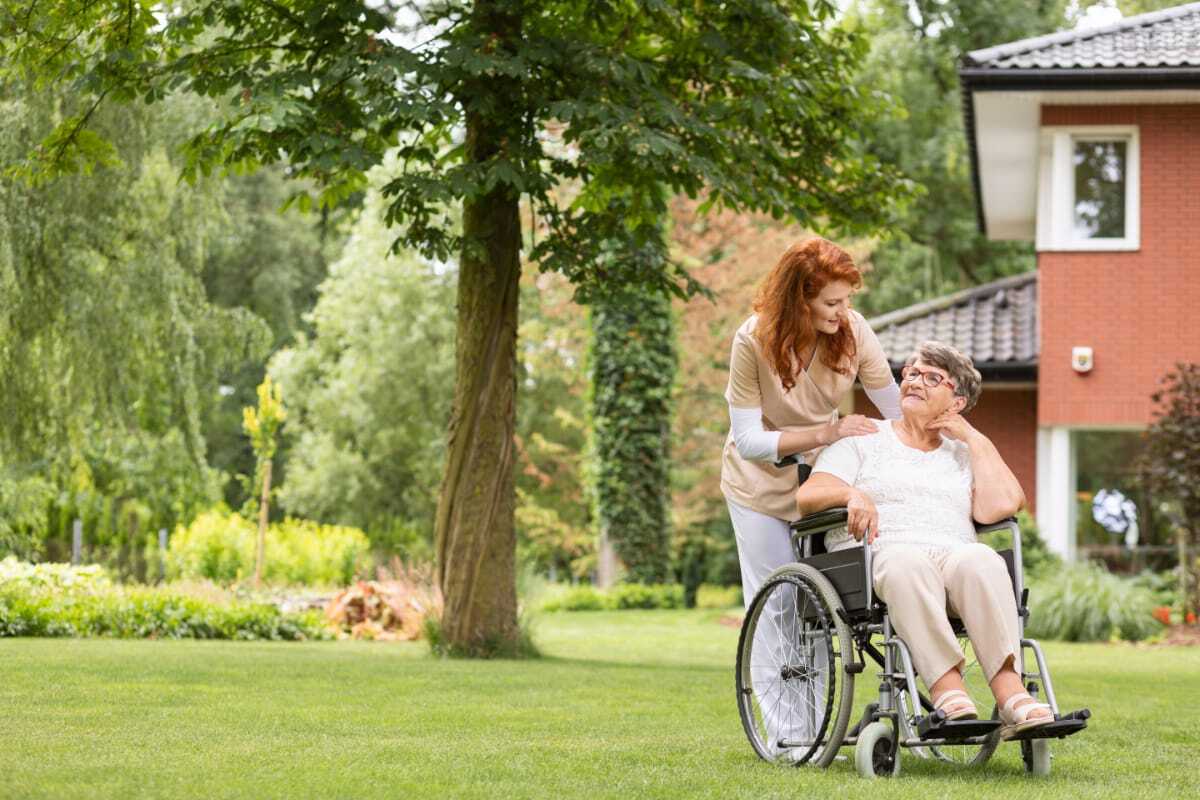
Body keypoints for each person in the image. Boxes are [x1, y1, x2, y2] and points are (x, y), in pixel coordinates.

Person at [796, 341, 1053, 739]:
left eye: (933, 378)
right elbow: (807, 496)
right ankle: (948, 688)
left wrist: (975, 440)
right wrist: (852, 494)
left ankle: (1011, 693)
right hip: (878, 557)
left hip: (951, 559)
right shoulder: (864, 438)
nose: (915, 381)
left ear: (958, 402)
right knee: (906, 561)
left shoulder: (964, 454)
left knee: (982, 559)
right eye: (912, 373)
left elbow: (999, 507)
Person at [722, 236, 900, 610]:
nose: (843, 311)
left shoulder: (854, 331)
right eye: (832, 303)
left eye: (847, 299)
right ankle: (770, 673)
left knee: (822, 600)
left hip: (821, 479)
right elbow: (749, 439)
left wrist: (942, 432)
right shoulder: (751, 341)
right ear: (799, 302)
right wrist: (826, 432)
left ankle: (816, 673)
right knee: (777, 601)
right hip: (758, 480)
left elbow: (894, 407)